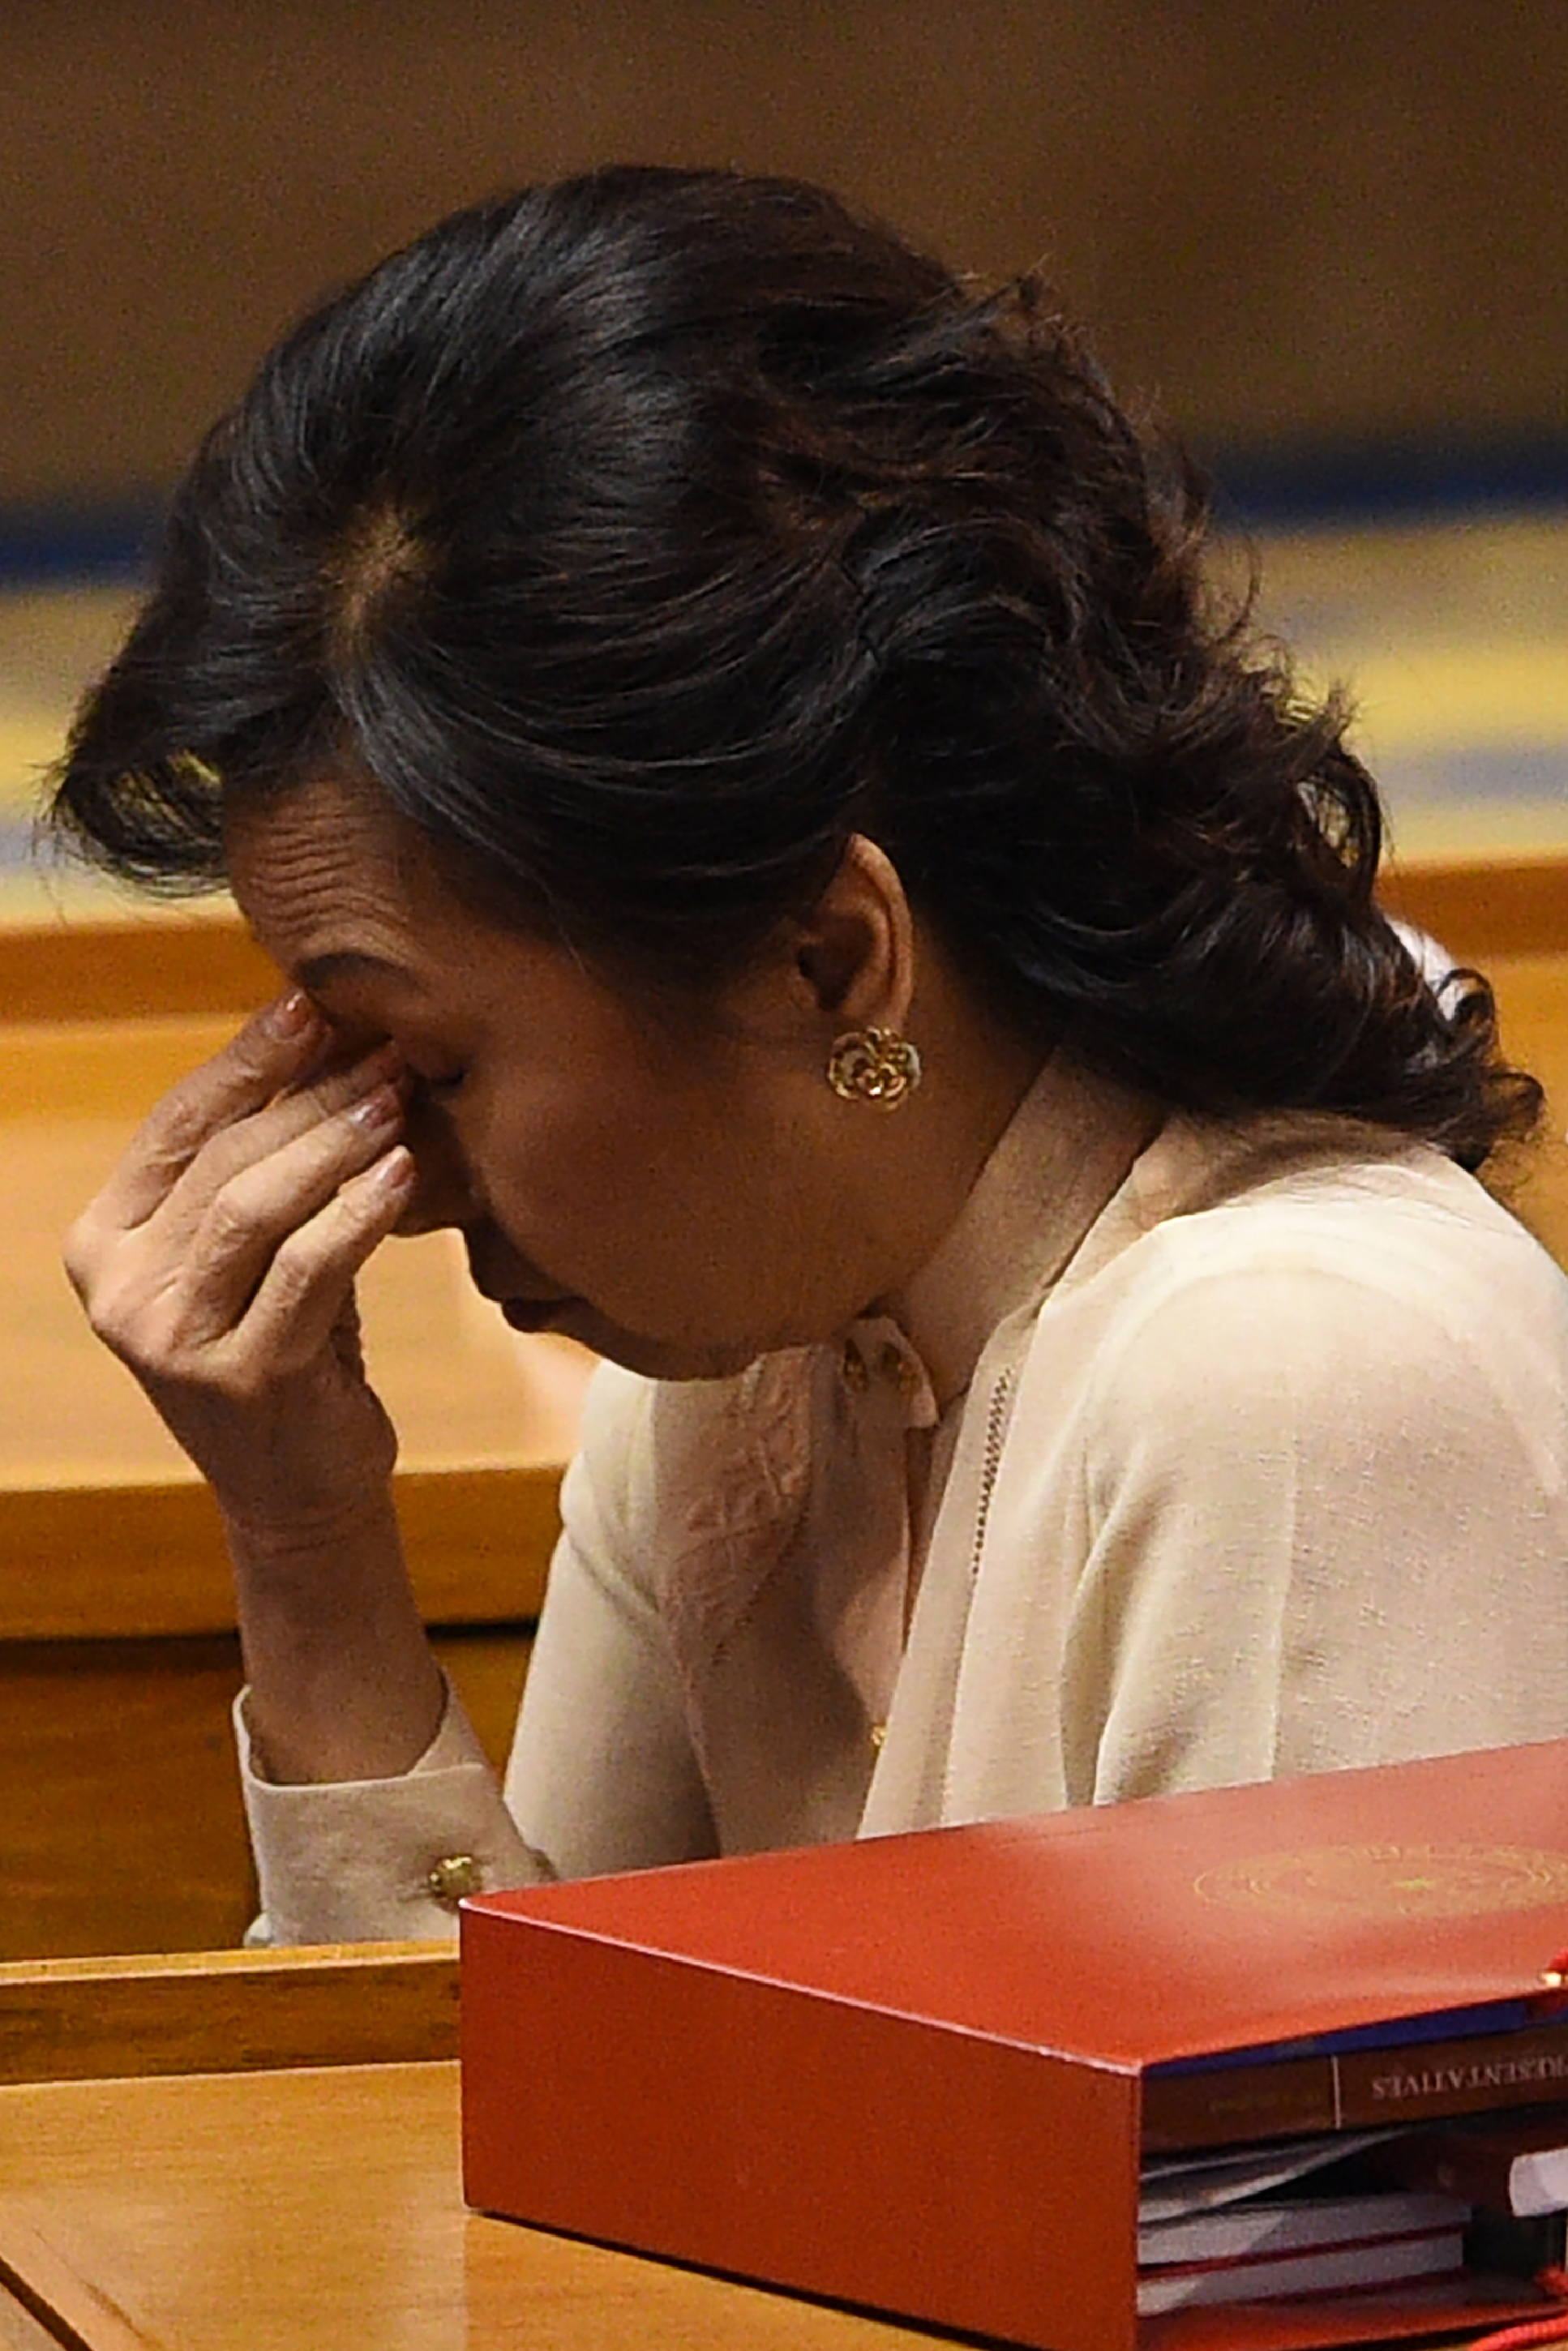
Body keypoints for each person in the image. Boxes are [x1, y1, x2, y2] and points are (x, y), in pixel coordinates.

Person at [48, 165, 1568, 1945]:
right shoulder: (761, 1360)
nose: (387, 1182)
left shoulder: (1299, 1375)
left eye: (426, 1061)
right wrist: (310, 1554)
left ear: (830, 958)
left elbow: (1280, 2221)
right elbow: (503, 2136)